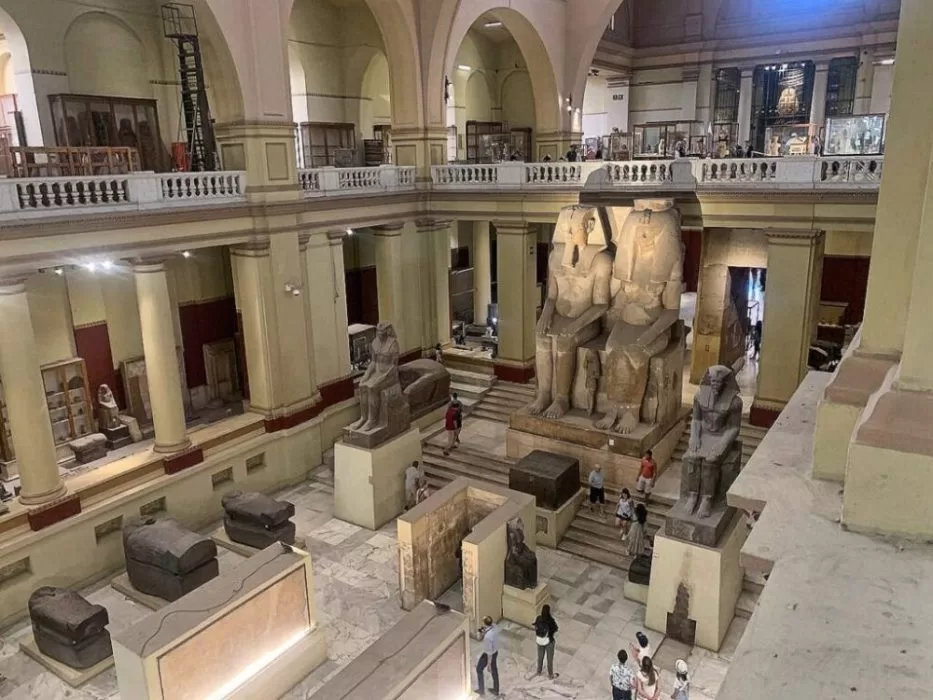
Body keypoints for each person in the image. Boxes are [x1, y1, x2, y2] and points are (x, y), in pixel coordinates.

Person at [533, 604, 559, 679]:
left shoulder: (538, 618)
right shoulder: (550, 621)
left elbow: (535, 627)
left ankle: (539, 671)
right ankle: (550, 675)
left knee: (540, 657)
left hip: (539, 641)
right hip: (548, 642)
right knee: (549, 659)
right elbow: (556, 629)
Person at [476, 616, 500, 696]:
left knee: (479, 669)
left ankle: (481, 690)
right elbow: (490, 629)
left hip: (489, 655)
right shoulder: (495, 627)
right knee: (494, 670)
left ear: (485, 624)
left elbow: (489, 653)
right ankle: (496, 689)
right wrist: (485, 630)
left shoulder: (487, 637)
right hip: (495, 651)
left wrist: (489, 665)